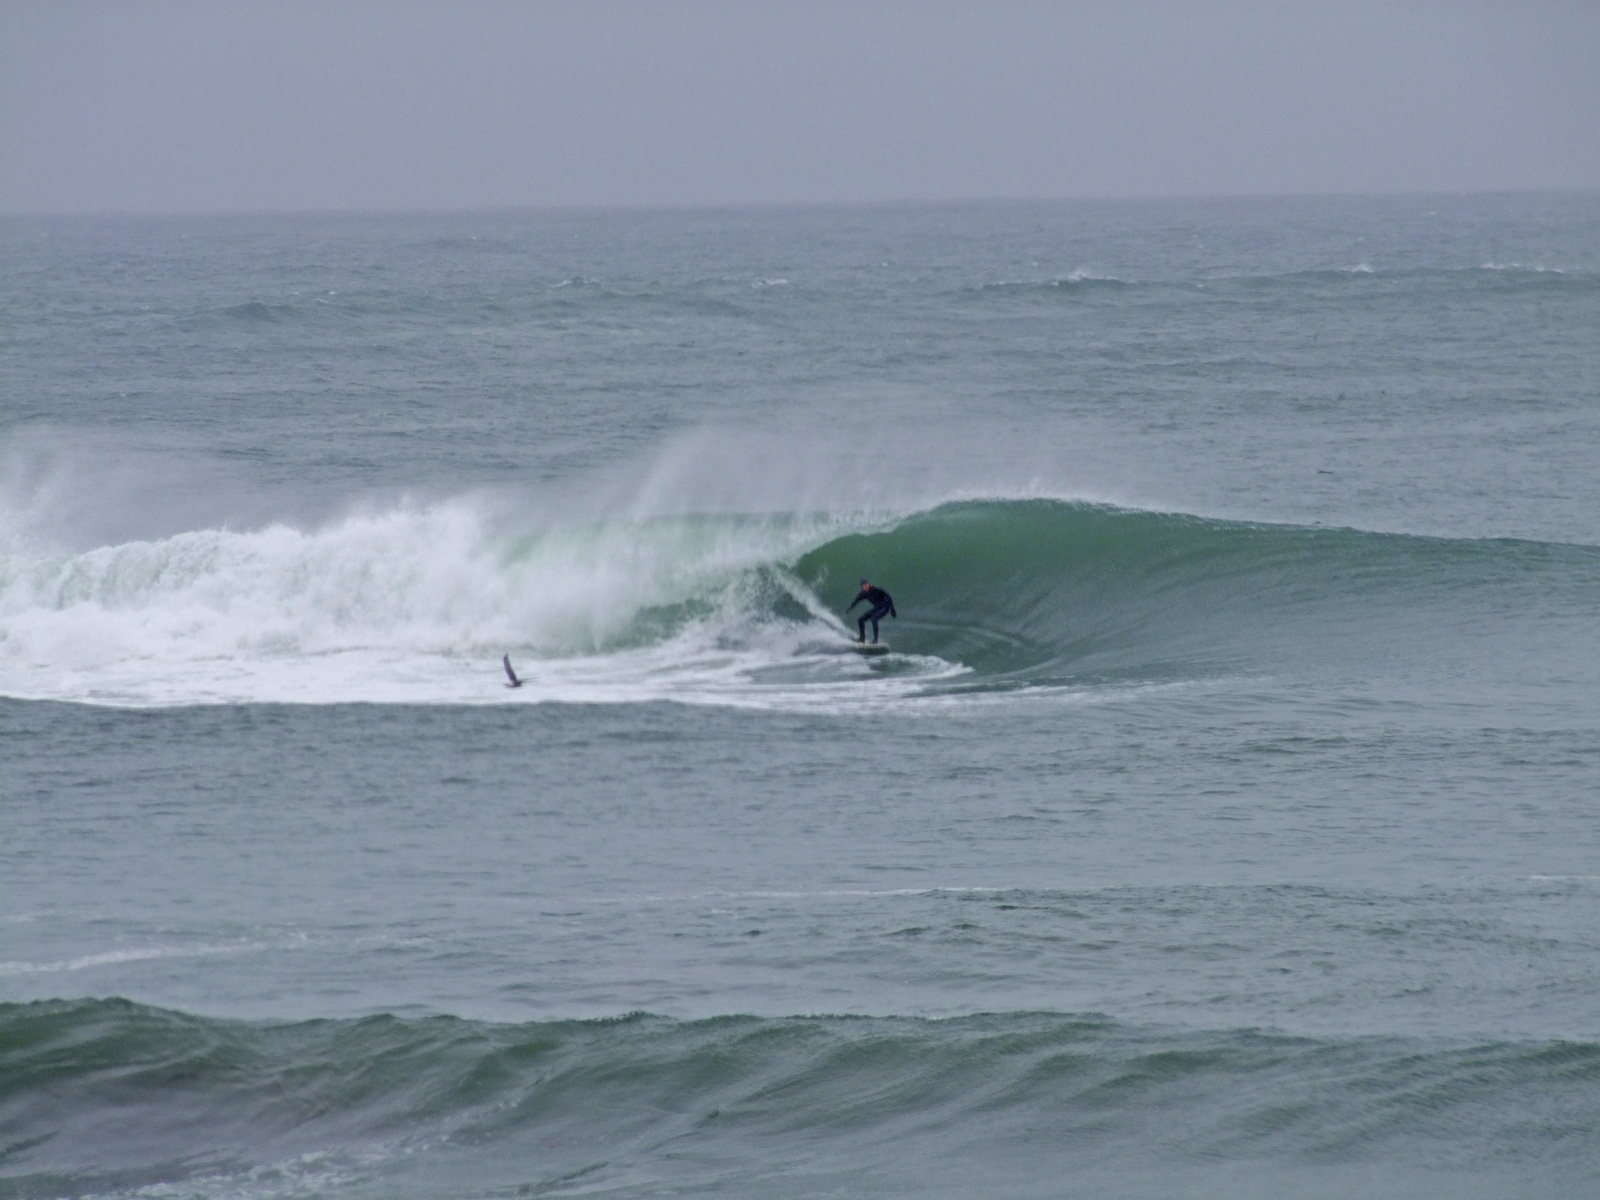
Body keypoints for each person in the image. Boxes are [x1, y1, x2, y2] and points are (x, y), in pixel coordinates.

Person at [846, 578, 897, 643]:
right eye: (864, 585)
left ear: (868, 584)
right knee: (860, 620)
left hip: (885, 607)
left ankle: (875, 640)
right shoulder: (863, 594)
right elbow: (856, 601)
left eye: (866, 584)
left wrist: (892, 609)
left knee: (874, 619)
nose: (866, 586)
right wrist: (850, 608)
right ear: (862, 586)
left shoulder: (876, 589)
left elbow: (888, 596)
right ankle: (862, 639)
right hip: (877, 608)